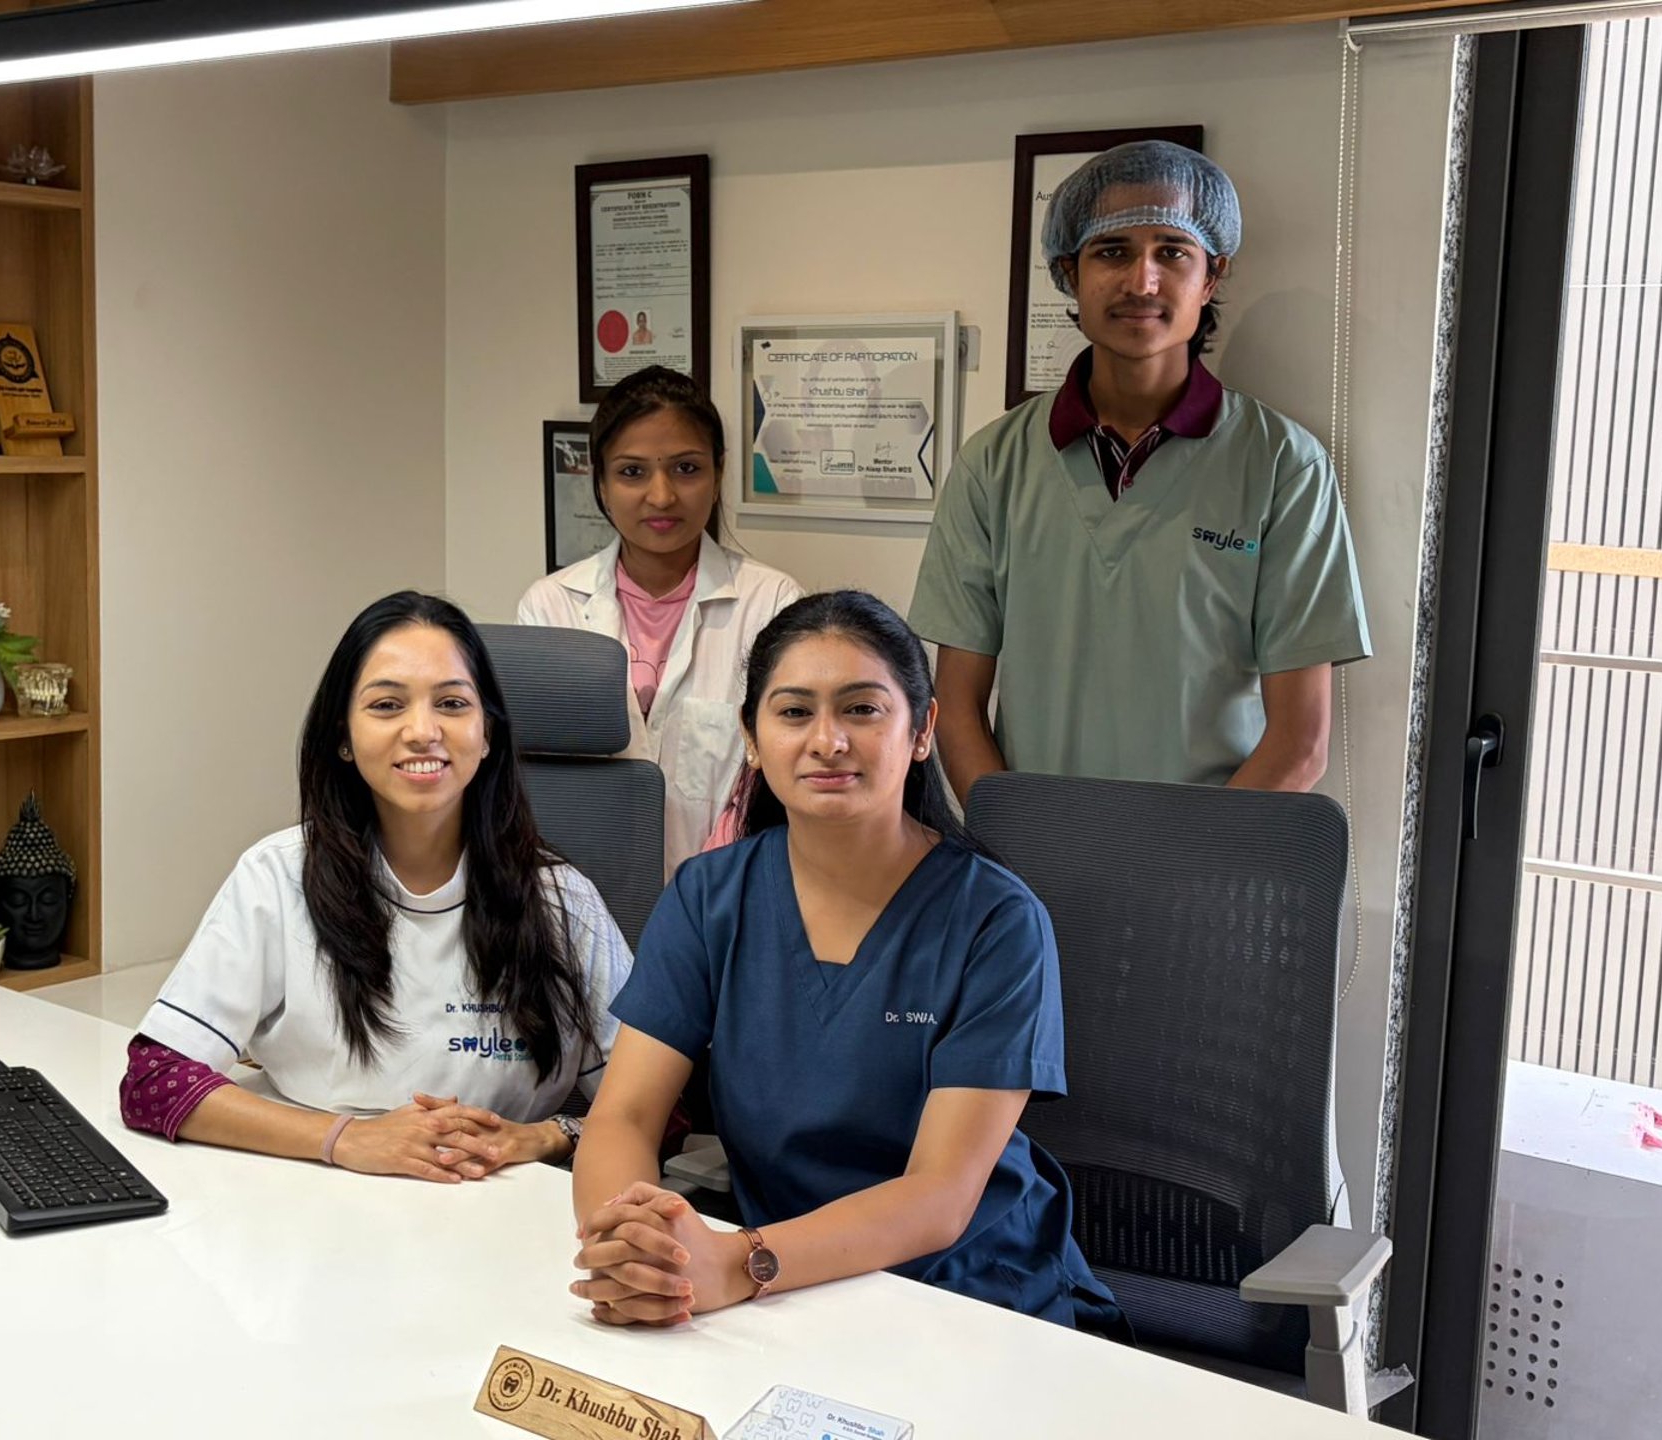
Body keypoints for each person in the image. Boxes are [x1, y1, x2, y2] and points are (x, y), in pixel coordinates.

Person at [568, 591, 1124, 1333]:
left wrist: (741, 1263)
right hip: (786, 1295)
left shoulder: (996, 920)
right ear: (754, 739)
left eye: (862, 710)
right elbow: (625, 1116)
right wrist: (633, 1248)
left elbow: (939, 1195)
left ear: (922, 730)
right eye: (794, 712)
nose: (827, 740)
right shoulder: (709, 899)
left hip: (973, 1296)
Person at [909, 141, 1370, 802]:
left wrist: (1183, 872)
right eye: (1112, 251)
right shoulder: (993, 464)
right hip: (1033, 868)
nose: (1142, 282)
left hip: (1211, 874)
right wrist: (1020, 850)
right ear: (1070, 272)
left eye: (1172, 252)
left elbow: (1301, 739)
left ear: (1211, 277)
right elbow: (955, 713)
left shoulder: (1283, 467)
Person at [119, 592, 631, 1180]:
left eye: (452, 703)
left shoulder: (563, 903)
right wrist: (348, 1139)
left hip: (497, 1210)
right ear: (343, 735)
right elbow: (155, 1081)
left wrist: (544, 1137)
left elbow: (658, 1110)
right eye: (387, 704)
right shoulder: (279, 877)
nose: (422, 731)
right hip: (310, 1196)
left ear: (487, 732)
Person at [518, 365, 801, 875]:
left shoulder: (773, 604)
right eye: (632, 472)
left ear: (717, 476)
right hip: (582, 886)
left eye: (686, 469)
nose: (662, 495)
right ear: (599, 483)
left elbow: (781, 777)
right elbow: (536, 782)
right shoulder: (550, 607)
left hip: (726, 891)